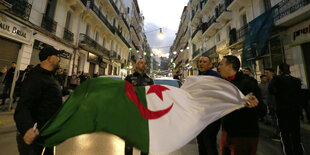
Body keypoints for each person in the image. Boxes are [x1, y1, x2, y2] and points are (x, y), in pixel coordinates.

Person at [14, 46, 64, 155]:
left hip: (48, 132)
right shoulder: (35, 78)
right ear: (49, 58)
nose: (60, 59)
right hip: (34, 135)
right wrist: (28, 128)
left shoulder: (50, 77)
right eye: (57, 56)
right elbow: (23, 106)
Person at [217, 55, 267, 155]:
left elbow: (262, 110)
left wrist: (254, 105)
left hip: (243, 136)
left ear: (229, 66)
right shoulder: (223, 84)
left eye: (221, 64)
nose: (218, 67)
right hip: (227, 133)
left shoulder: (248, 84)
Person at [269, 63, 304, 155]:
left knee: (284, 132)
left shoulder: (277, 79)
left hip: (282, 110)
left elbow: (271, 89)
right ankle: (298, 151)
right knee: (296, 132)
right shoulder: (296, 80)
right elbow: (299, 94)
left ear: (279, 70)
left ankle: (288, 152)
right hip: (294, 109)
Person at [125, 58, 153, 155]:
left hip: (144, 115)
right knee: (129, 142)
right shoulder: (129, 78)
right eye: (141, 63)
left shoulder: (149, 80)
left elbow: (152, 98)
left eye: (145, 63)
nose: (143, 65)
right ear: (137, 65)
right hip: (131, 113)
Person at [196, 56, 221, 155]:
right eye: (200, 61)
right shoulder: (198, 77)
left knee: (209, 143)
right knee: (201, 142)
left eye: (204, 62)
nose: (201, 63)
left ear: (210, 65)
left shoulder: (215, 77)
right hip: (200, 116)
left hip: (211, 116)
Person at [264, 68, 280, 140]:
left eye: (267, 73)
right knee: (274, 120)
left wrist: (273, 105)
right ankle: (277, 133)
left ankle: (279, 134)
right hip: (271, 104)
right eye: (265, 73)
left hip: (275, 105)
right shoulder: (268, 82)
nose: (266, 74)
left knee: (277, 120)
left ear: (272, 73)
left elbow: (274, 94)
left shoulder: (275, 82)